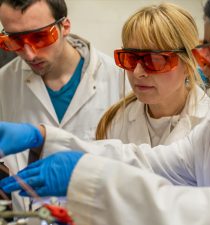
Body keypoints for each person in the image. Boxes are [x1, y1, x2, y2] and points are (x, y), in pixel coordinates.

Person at [1, 0, 210, 224]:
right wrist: (44, 138)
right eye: (204, 54)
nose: (208, 70)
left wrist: (88, 178)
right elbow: (148, 162)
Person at [0, 0, 125, 210]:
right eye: (14, 41)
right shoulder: (4, 83)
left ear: (65, 26)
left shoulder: (120, 79)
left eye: (39, 37)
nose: (29, 54)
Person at [96, 3, 210, 146]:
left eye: (154, 60)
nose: (137, 72)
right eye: (131, 58)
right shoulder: (114, 123)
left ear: (189, 62)